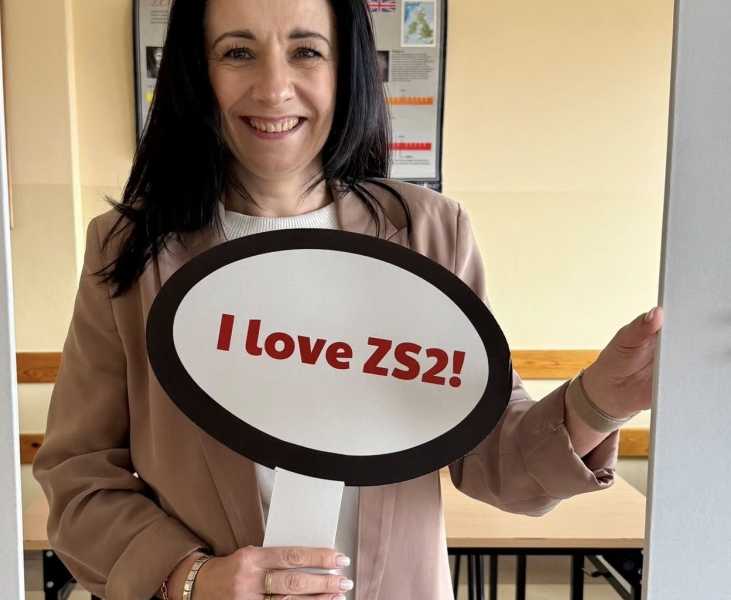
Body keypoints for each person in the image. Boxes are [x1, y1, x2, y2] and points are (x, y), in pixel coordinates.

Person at [33, 0, 664, 598]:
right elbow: (79, 477)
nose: (274, 88)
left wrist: (598, 402)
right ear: (196, 72)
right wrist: (192, 578)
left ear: (347, 69)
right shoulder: (133, 251)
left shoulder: (430, 233)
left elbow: (492, 457)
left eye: (306, 51)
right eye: (237, 52)